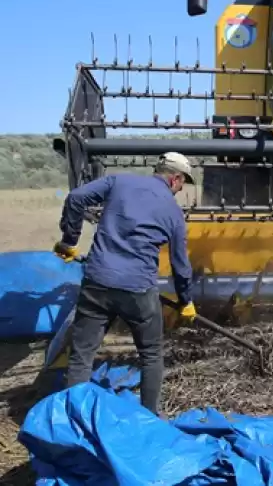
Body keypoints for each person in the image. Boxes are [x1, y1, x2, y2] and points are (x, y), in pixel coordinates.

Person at [53, 152, 198, 416]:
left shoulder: (119, 182)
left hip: (98, 282)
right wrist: (186, 301)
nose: (180, 189)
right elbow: (181, 266)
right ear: (175, 178)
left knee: (82, 354)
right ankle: (149, 420)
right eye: (183, 183)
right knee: (152, 354)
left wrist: (69, 240)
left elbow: (76, 198)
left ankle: (73, 421)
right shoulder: (174, 214)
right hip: (138, 291)